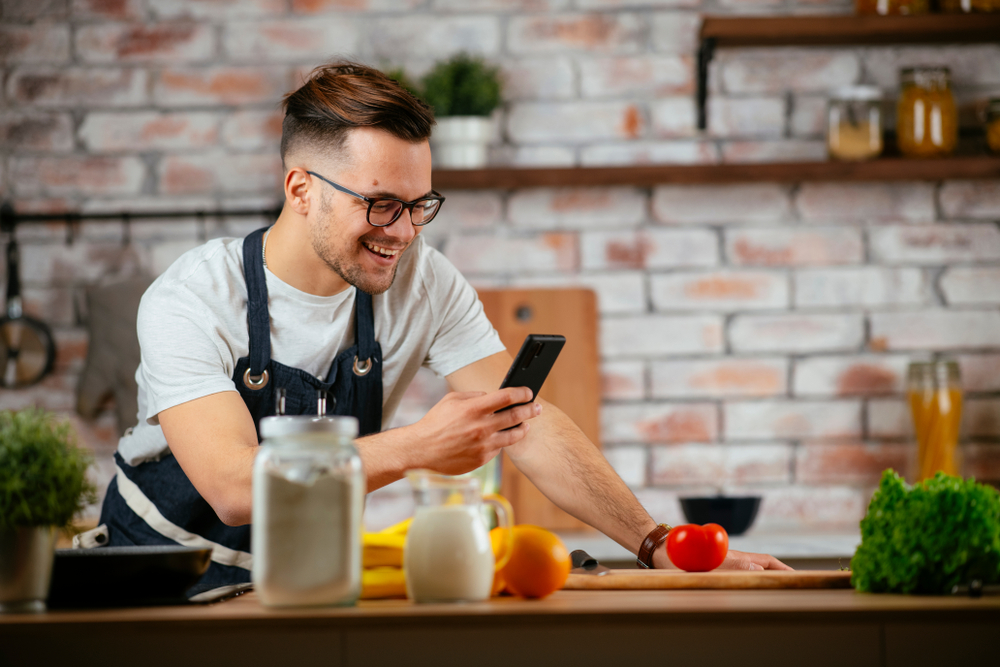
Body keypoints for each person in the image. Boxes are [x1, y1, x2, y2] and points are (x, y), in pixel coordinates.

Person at [98, 61, 788, 590]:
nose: (403, 232)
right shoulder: (190, 297)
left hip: (298, 582)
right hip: (159, 584)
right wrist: (419, 445)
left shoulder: (421, 280)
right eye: (380, 204)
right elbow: (234, 486)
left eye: (420, 202)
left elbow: (525, 421)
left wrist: (654, 541)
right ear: (301, 189)